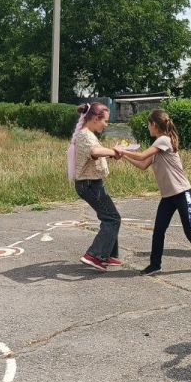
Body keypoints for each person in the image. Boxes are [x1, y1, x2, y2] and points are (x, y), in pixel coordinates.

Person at [117, 109, 191, 276]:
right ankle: (155, 265)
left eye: (148, 124)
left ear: (154, 124)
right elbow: (143, 165)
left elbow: (141, 156)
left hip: (182, 192)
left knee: (189, 228)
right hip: (168, 196)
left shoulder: (164, 140)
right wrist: (123, 156)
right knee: (159, 230)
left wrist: (122, 151)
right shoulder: (157, 146)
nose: (148, 127)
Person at [68, 102, 123, 271]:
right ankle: (94, 255)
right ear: (95, 119)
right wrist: (114, 152)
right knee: (112, 218)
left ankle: (107, 255)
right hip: (89, 185)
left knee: (110, 217)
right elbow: (95, 152)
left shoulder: (88, 134)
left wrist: (113, 153)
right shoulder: (85, 135)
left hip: (92, 183)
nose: (106, 125)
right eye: (105, 121)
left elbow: (96, 151)